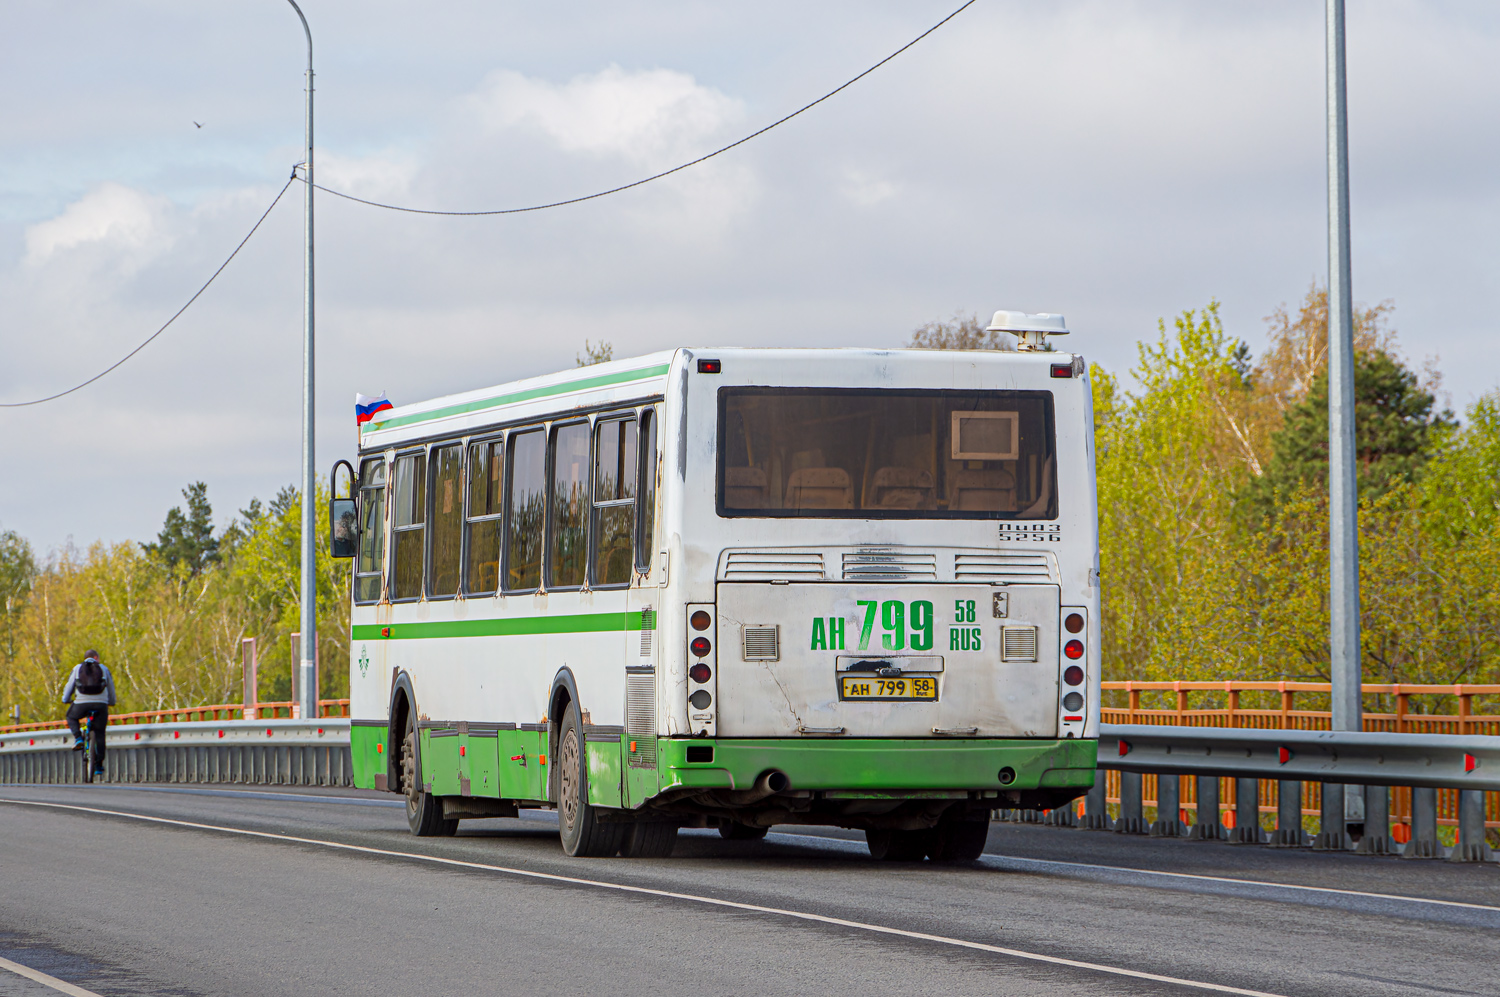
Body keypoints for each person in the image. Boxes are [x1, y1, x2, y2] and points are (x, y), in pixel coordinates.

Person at [62, 649, 116, 776]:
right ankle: (98, 765)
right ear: (96, 657)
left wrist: (66, 700)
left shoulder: (77, 668)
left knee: (70, 716)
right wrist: (111, 702)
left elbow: (69, 686)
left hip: (81, 704)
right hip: (101, 704)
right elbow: (111, 688)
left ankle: (78, 738)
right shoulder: (103, 668)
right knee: (100, 733)